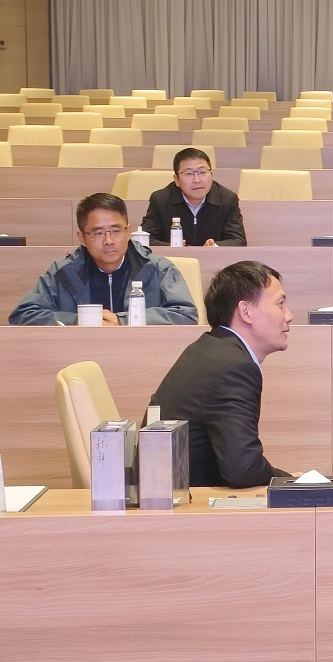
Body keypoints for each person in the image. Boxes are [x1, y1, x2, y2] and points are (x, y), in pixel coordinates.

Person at [150, 261, 293, 488]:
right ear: (246, 311)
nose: (289, 316)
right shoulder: (234, 367)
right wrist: (290, 480)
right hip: (185, 502)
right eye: (280, 304)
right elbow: (242, 470)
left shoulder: (210, 348)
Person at [9, 193, 198, 326]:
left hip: (143, 355)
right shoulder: (64, 271)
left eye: (116, 231)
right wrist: (80, 320)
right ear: (82, 238)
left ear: (128, 231)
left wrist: (122, 320)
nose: (108, 241)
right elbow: (24, 315)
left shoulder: (158, 268)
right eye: (98, 233)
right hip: (79, 355)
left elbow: (186, 315)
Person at [141, 147, 247, 247]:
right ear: (176, 180)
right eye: (189, 173)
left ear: (211, 174)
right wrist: (174, 247)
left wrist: (215, 247)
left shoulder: (227, 199)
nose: (197, 180)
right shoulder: (161, 200)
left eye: (202, 172)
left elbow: (238, 240)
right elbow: (145, 239)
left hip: (214, 258)